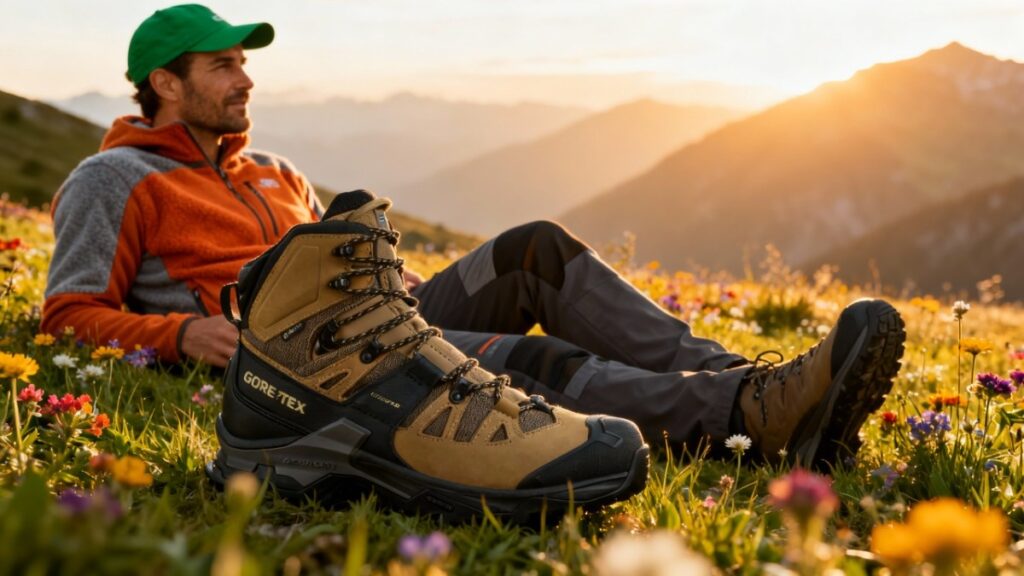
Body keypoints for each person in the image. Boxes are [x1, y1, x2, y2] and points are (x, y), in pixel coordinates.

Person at [43, 4, 905, 516]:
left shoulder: (275, 172)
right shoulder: (114, 178)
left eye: (244, 63)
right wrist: (182, 334)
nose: (245, 80)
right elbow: (68, 312)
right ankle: (750, 417)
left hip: (370, 321)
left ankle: (751, 386)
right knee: (532, 362)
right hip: (298, 361)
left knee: (533, 246)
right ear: (162, 83)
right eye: (222, 65)